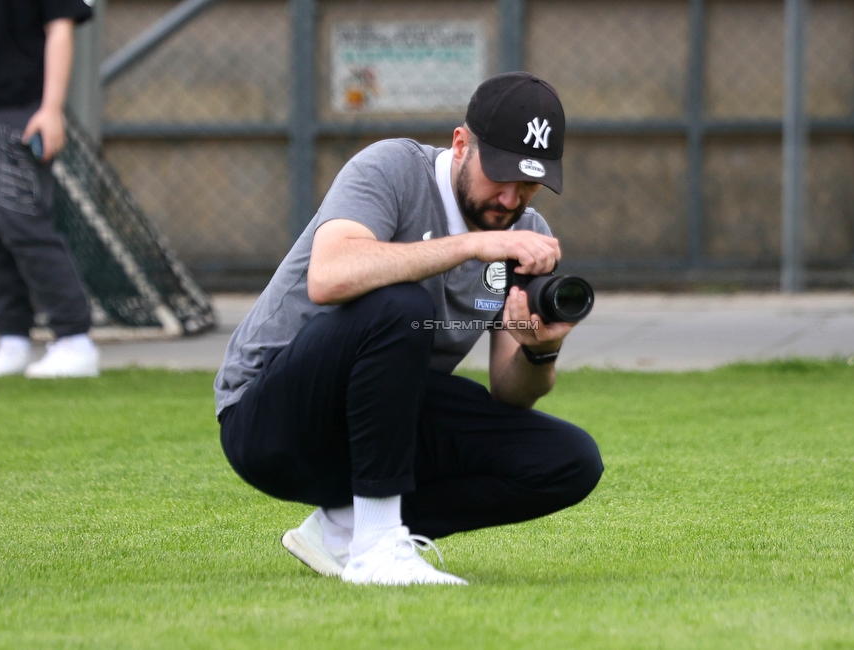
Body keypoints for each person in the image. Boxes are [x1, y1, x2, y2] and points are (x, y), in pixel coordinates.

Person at [215, 72, 603, 586]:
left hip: (379, 428)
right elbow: (329, 276)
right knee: (401, 305)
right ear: (461, 144)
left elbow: (510, 396)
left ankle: (346, 530)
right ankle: (376, 553)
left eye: (529, 184)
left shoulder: (526, 234)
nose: (510, 200)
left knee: (568, 459)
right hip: (273, 421)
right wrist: (470, 246)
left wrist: (538, 351)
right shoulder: (393, 168)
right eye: (500, 175)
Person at [0, 0, 99, 378]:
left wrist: (51, 109)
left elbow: (60, 28)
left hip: (20, 113)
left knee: (24, 224)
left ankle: (74, 338)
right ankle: (12, 337)